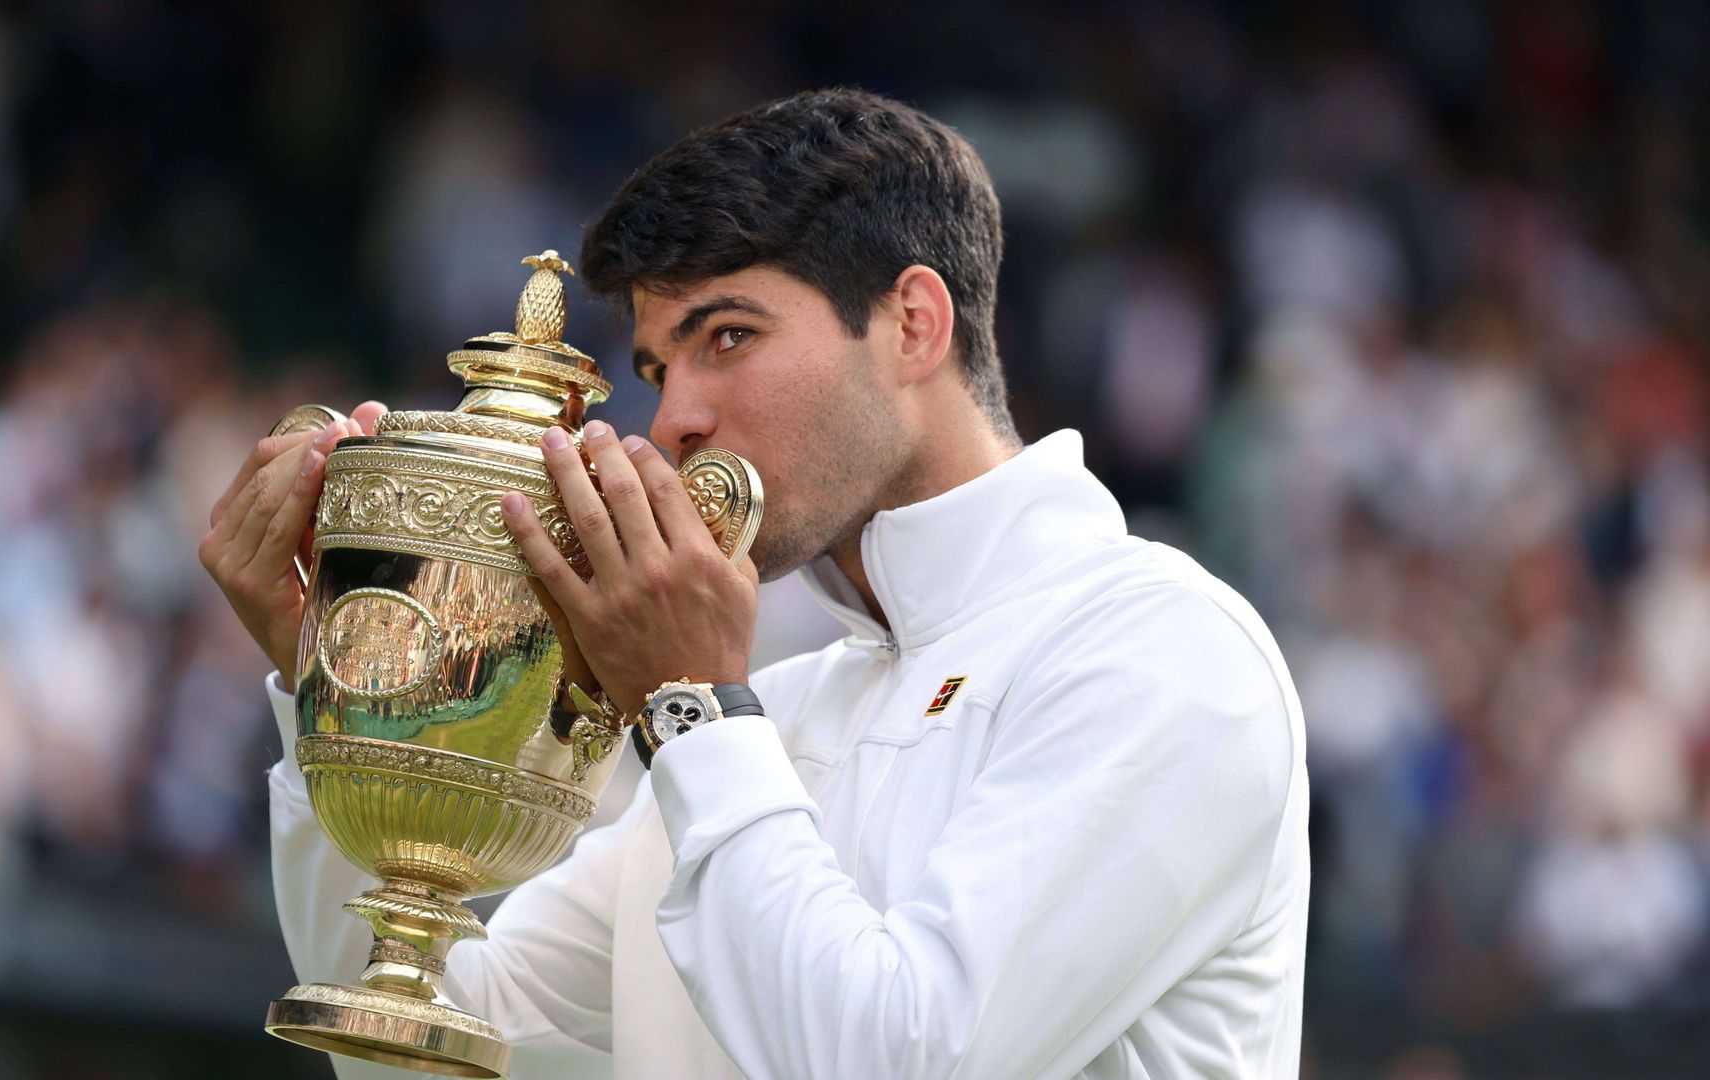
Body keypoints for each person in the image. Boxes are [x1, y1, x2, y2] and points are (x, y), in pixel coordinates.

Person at [202, 88, 1308, 1079]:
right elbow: (429, 1046)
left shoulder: (1164, 650)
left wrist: (692, 705)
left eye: (728, 337)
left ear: (913, 325)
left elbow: (900, 1061)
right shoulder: (776, 707)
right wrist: (341, 688)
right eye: (657, 368)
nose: (675, 417)